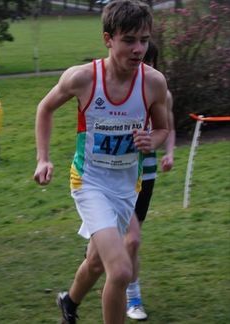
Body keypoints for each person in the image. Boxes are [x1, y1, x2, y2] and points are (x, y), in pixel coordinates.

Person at [33, 1, 169, 323]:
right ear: (108, 39)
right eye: (129, 40)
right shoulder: (82, 79)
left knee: (96, 262)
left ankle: (69, 302)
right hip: (89, 182)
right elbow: (45, 108)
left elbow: (163, 128)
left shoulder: (153, 83)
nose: (139, 49)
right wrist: (43, 158)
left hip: (127, 187)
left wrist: (154, 140)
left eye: (144, 40)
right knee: (120, 270)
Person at [125, 41, 176, 321]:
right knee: (125, 241)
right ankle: (127, 292)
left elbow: (167, 126)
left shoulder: (161, 92)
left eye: (149, 60)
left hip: (145, 172)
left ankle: (131, 296)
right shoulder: (118, 88)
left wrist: (168, 153)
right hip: (111, 173)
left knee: (132, 241)